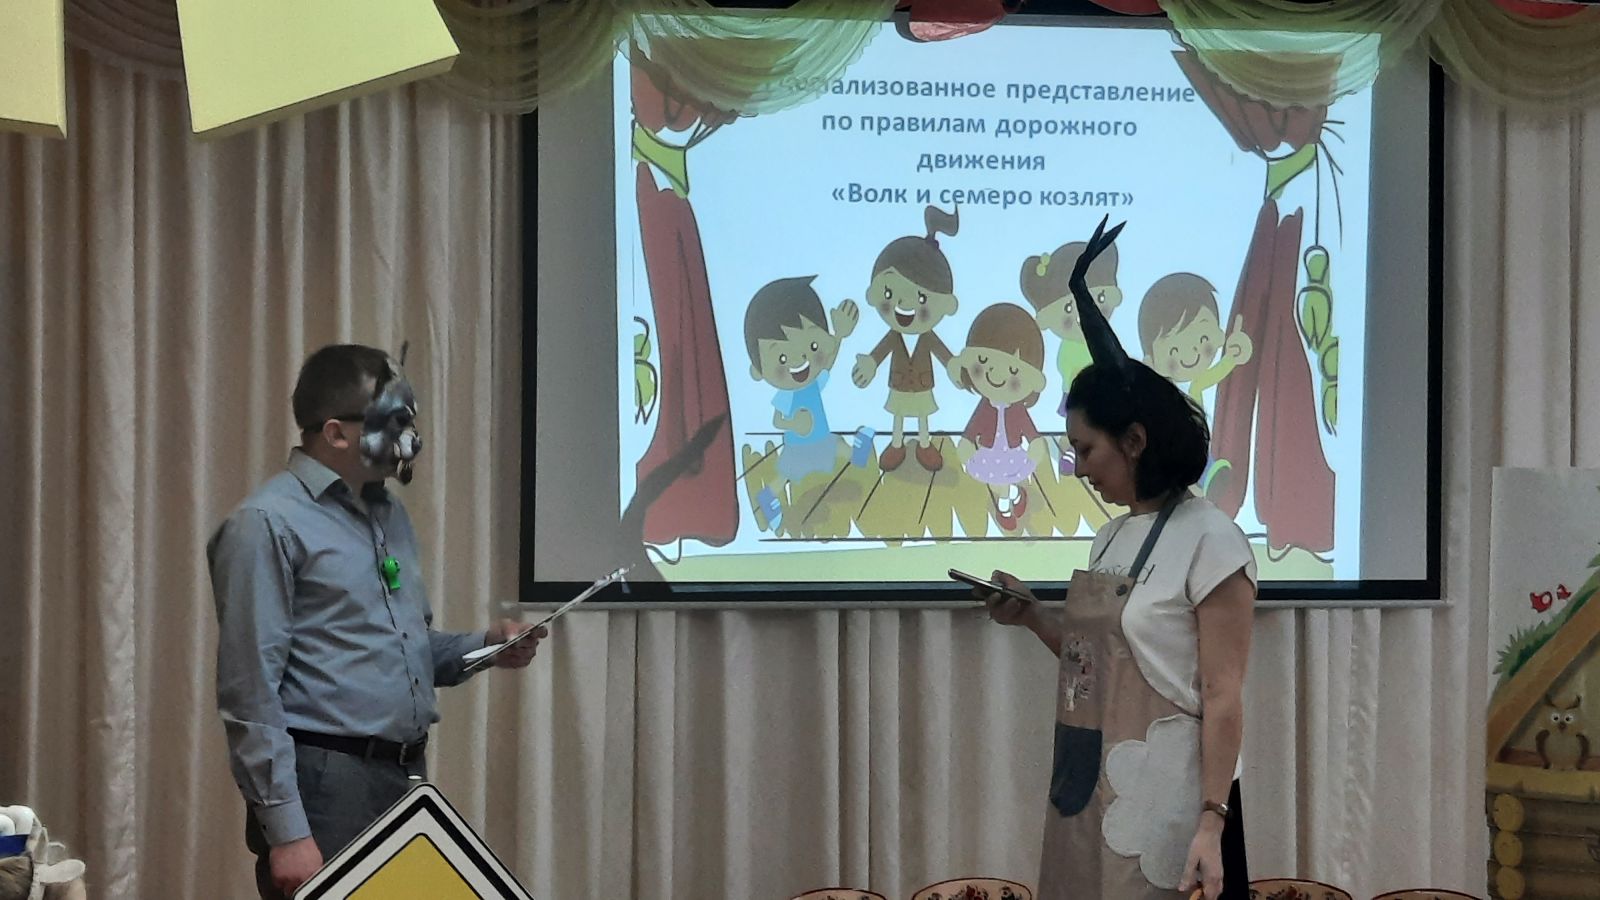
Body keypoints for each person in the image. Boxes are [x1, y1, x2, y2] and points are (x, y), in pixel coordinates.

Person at [974, 220, 1256, 900]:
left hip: (1176, 805)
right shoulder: (1110, 538)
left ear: (1134, 441)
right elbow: (1094, 663)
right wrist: (1032, 617)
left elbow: (1223, 695)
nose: (1076, 467)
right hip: (1092, 787)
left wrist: (1211, 822)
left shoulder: (1213, 540)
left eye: (1085, 449)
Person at [208, 344, 547, 899]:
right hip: (324, 788)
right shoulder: (265, 523)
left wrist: (487, 646)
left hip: (403, 778)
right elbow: (249, 693)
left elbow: (404, 649)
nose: (409, 436)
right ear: (337, 433)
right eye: (392, 421)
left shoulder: (387, 514)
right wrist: (287, 831)